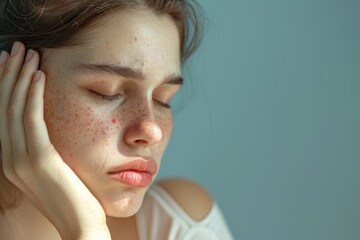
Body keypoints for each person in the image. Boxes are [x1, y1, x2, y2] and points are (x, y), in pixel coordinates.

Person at [0, 0, 234, 239]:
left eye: (163, 99)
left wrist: (88, 233)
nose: (152, 130)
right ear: (11, 83)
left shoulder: (180, 224)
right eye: (107, 92)